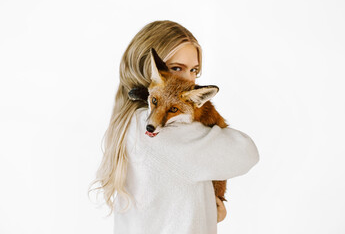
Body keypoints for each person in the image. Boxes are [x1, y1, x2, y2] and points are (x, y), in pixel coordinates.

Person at [90, 20, 259, 234]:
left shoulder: (130, 120)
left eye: (194, 70)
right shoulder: (158, 131)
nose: (188, 80)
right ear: (150, 69)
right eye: (176, 68)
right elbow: (246, 153)